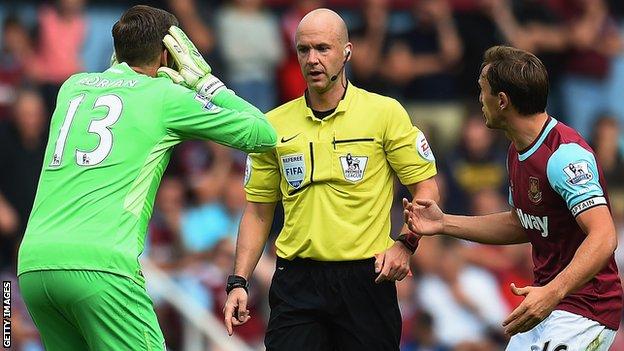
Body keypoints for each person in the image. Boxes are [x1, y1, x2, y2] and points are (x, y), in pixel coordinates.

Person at [17, 5, 277, 350]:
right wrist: (206, 84)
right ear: (171, 54)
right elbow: (264, 133)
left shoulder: (72, 88)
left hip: (35, 265)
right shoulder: (166, 97)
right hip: (102, 267)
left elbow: (117, 88)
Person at [223, 8, 439, 351]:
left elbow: (426, 187)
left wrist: (406, 244)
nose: (312, 59)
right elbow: (258, 212)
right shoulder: (271, 125)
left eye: (323, 48)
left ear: (347, 52)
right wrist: (239, 282)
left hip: (366, 278)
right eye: (304, 50)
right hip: (297, 280)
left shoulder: (384, 113)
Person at [404, 46, 623, 350]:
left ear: (502, 101)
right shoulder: (516, 150)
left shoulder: (565, 156)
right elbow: (522, 223)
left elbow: (604, 236)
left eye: (483, 92)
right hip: (546, 304)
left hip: (586, 310)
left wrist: (552, 292)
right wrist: (443, 222)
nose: (480, 100)